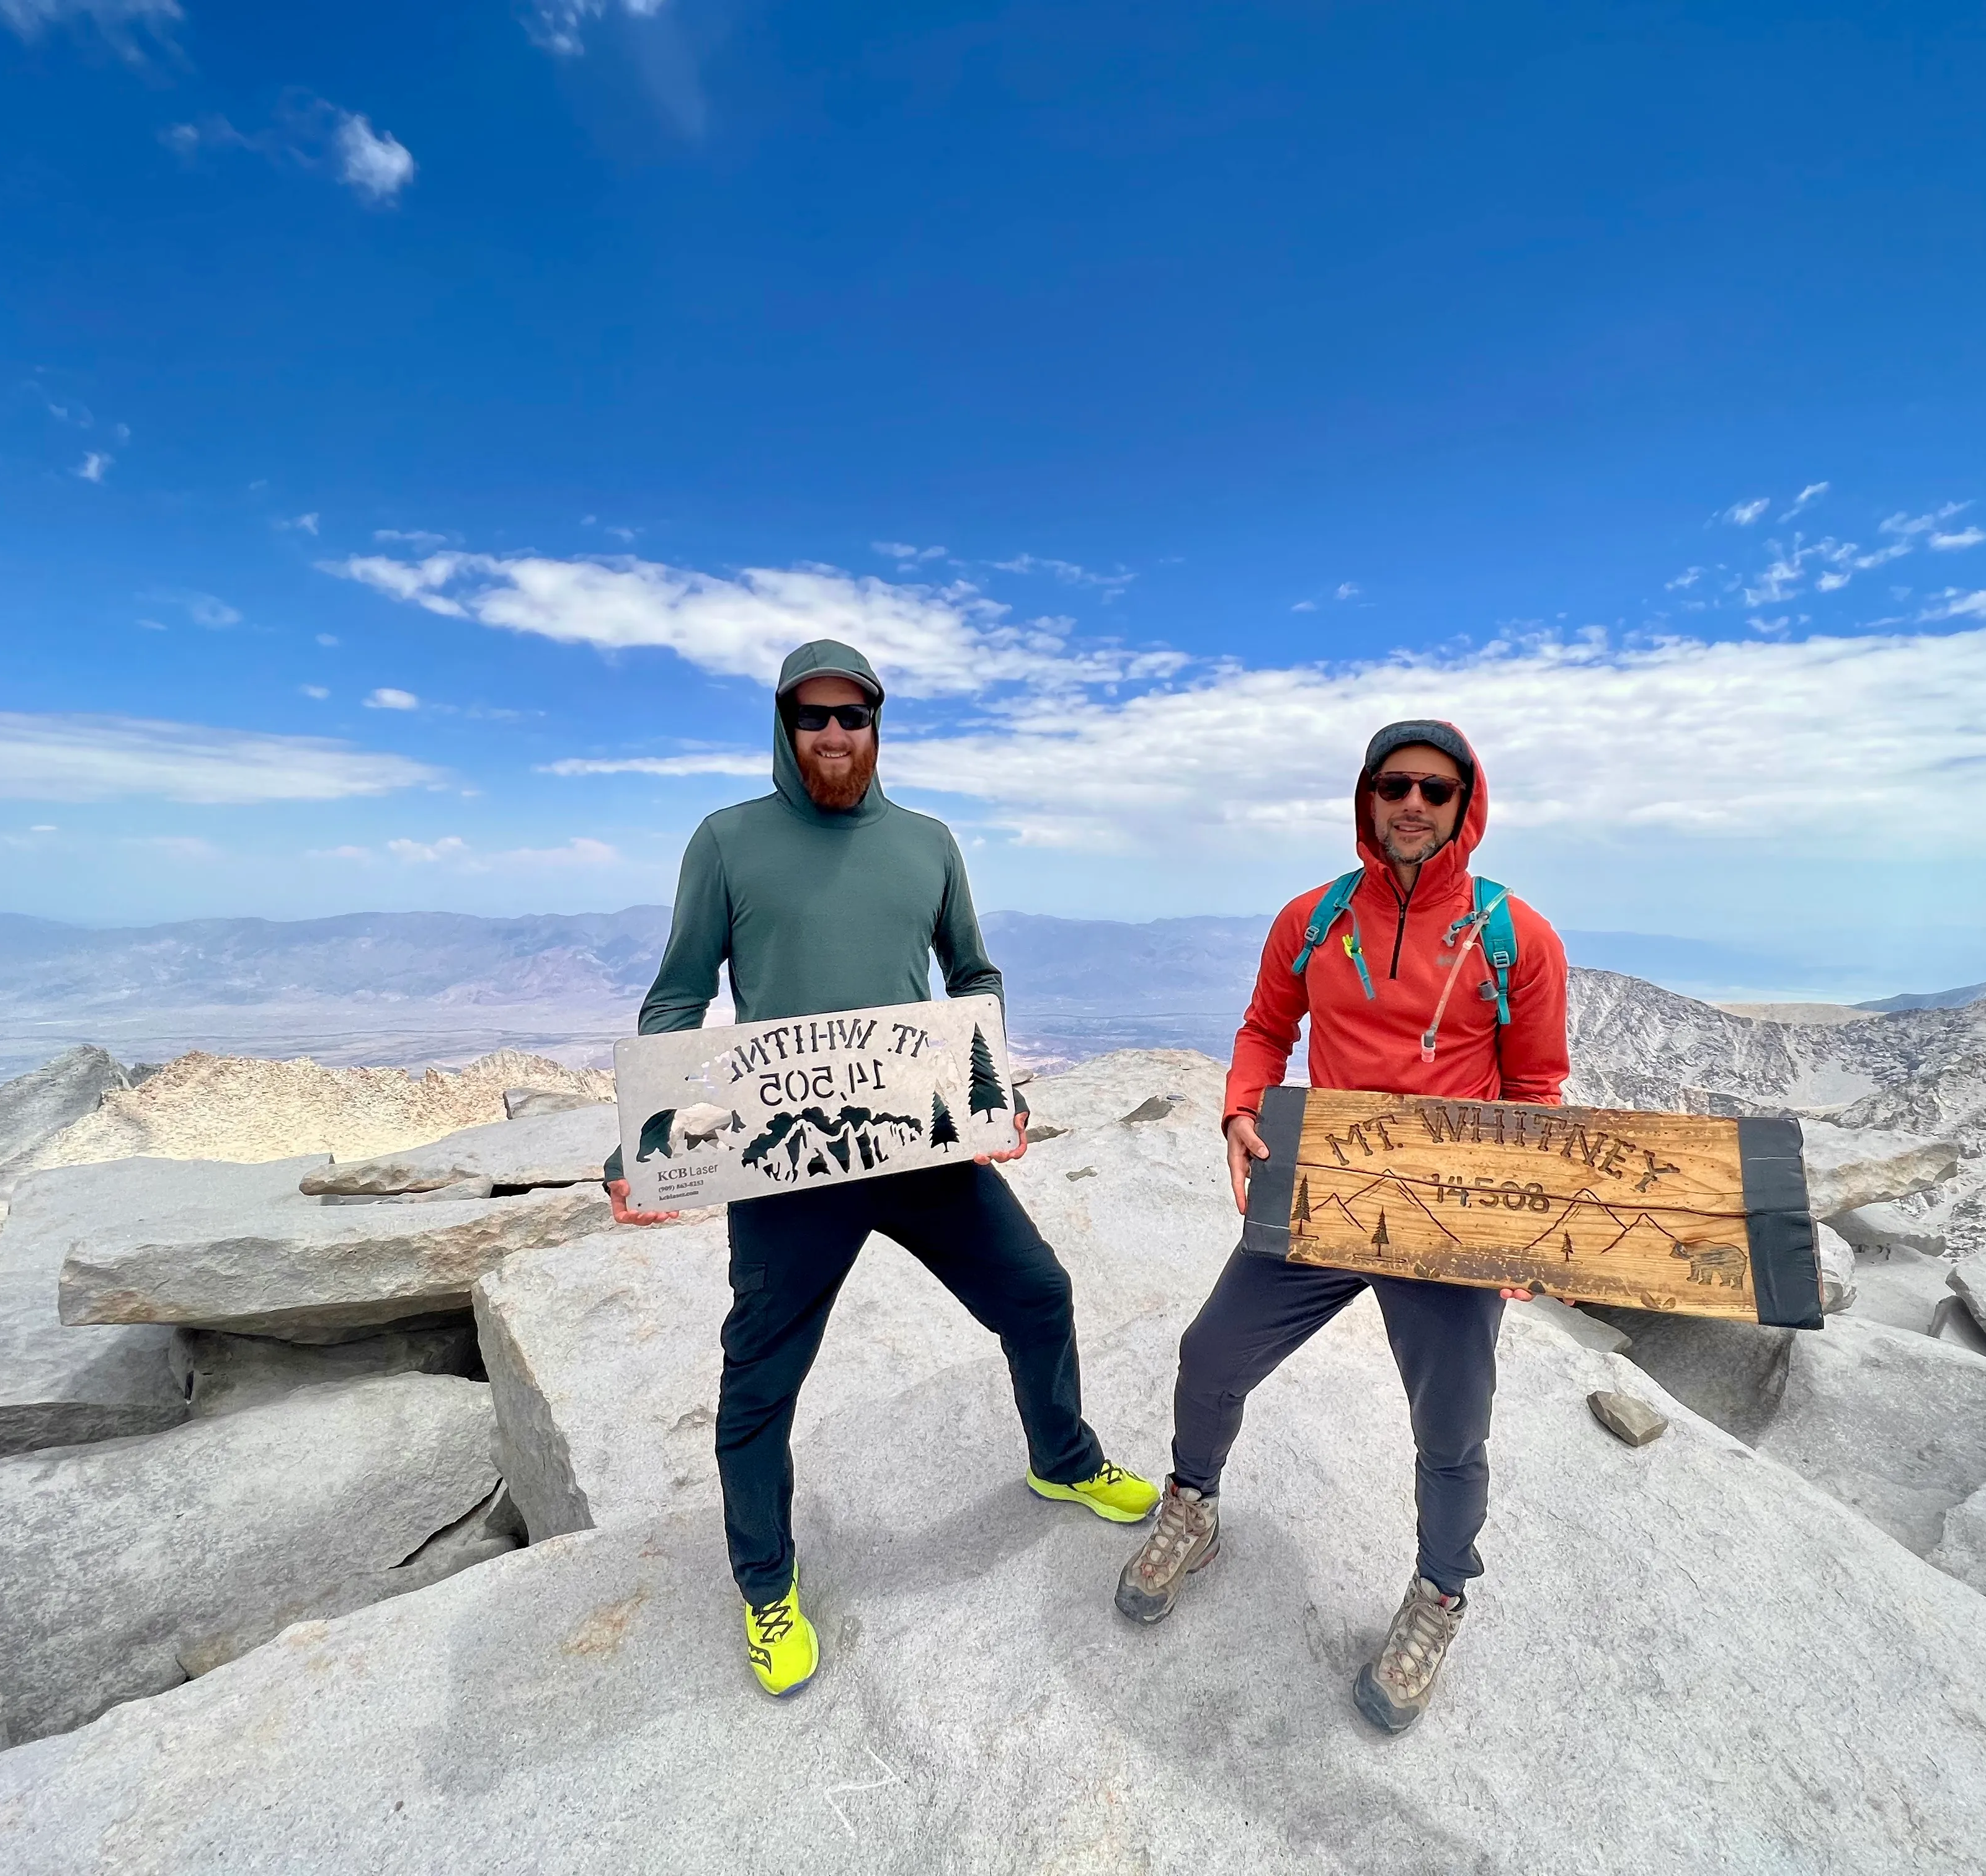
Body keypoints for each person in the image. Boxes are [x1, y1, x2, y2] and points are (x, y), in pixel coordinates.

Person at [605, 638, 1157, 1698]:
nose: (832, 735)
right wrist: (640, 1142)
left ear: (876, 727)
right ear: (784, 727)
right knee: (760, 1383)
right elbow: (676, 999)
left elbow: (973, 972)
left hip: (918, 1144)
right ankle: (766, 1581)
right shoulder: (726, 842)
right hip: (787, 1161)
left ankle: (1063, 1457)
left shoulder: (929, 843)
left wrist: (997, 1090)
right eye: (811, 718)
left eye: (851, 717)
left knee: (1038, 1295)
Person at [1111, 720, 1568, 1733]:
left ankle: (1440, 1594)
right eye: (1394, 785)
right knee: (1209, 1355)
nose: (1413, 804)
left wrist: (1521, 1225)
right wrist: (1241, 1104)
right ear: (1367, 797)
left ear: (1466, 805)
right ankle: (1193, 1506)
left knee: (1452, 1433)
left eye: (1436, 791)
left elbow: (1535, 1089)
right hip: (1325, 1191)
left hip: (1444, 1221)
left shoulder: (1515, 936)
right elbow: (1267, 1029)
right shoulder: (1313, 920)